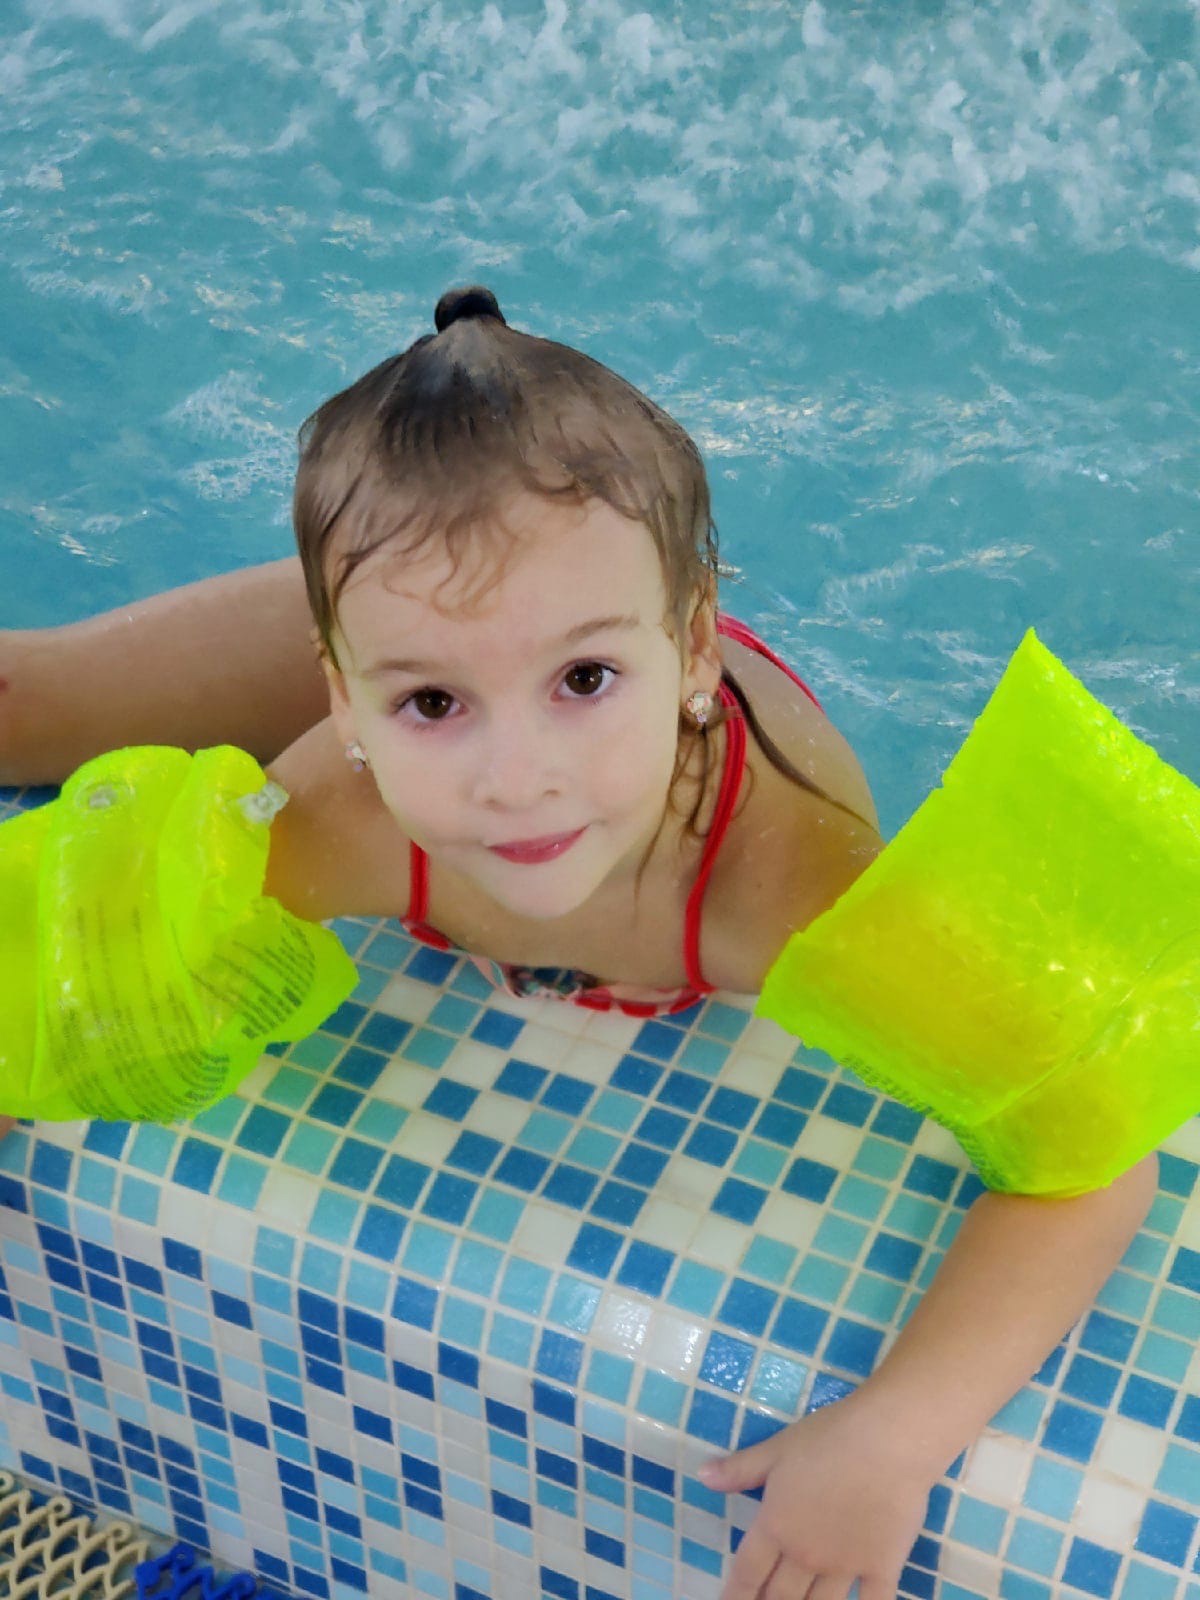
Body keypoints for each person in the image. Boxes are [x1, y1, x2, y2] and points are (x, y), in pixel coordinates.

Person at [0, 289, 1155, 1600]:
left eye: (586, 684)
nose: (517, 779)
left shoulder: (785, 888)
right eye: (431, 706)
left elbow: (1090, 1155)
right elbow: (74, 953)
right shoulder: (343, 812)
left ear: (695, 646)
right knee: (25, 701)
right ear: (343, 700)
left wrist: (894, 1435)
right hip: (424, 588)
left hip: (492, 613)